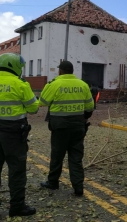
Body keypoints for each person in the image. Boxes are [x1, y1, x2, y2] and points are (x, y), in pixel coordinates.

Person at [0, 53, 39, 220]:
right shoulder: (20, 84)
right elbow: (34, 108)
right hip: (14, 135)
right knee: (17, 171)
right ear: (14, 66)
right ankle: (17, 206)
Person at [39, 61, 94, 196]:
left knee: (57, 155)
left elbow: (42, 102)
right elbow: (89, 107)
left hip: (60, 126)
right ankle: (78, 187)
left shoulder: (54, 84)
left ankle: (53, 182)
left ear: (61, 71)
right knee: (76, 157)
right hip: (78, 126)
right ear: (72, 70)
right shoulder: (83, 85)